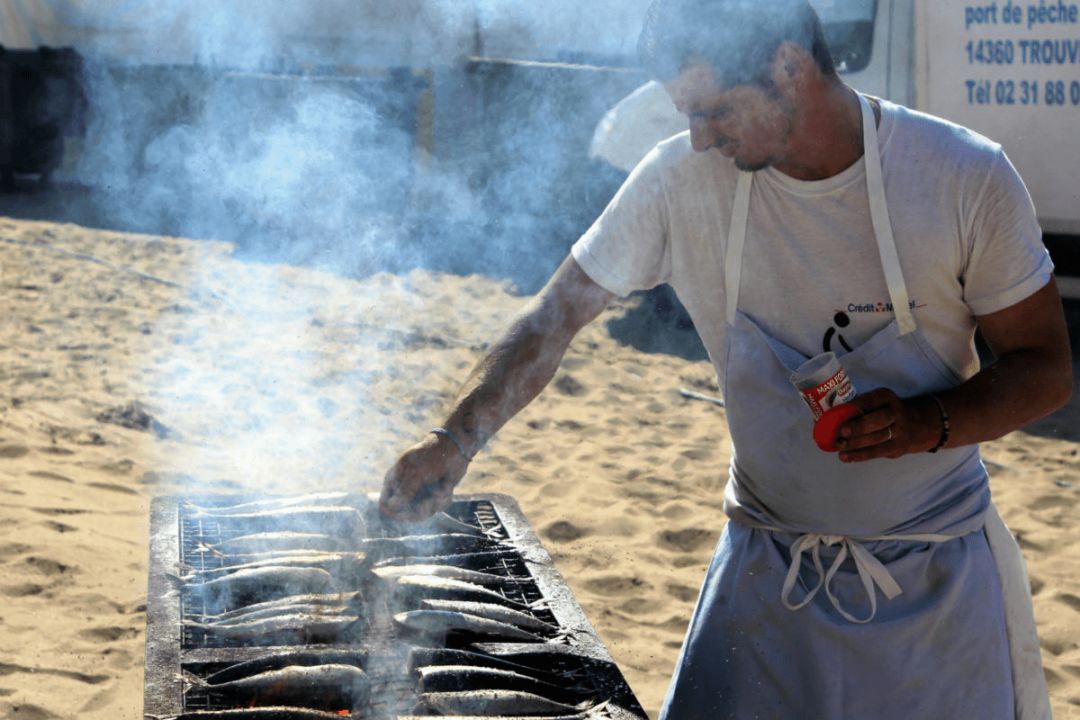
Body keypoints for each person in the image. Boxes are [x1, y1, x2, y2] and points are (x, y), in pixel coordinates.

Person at [380, 0, 1073, 717]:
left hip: (936, 589)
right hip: (763, 575)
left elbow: (1045, 367)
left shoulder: (962, 176)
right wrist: (454, 439)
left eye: (715, 111)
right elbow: (554, 318)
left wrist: (930, 420)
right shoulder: (678, 178)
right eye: (688, 115)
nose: (700, 138)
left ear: (788, 65)